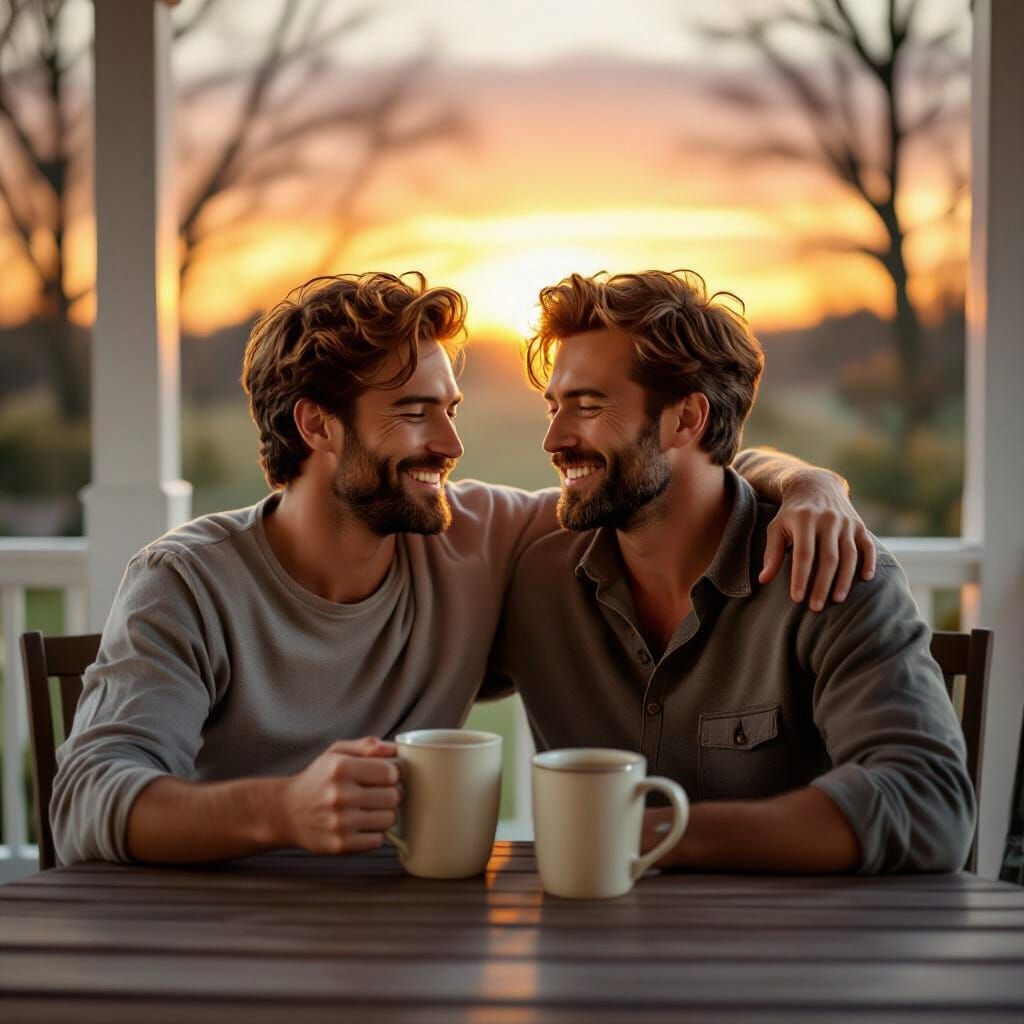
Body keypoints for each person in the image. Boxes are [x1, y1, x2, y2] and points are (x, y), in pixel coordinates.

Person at [52, 272, 873, 867]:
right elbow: (87, 799)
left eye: (450, 411)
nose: (449, 447)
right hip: (214, 947)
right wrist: (284, 810)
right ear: (316, 425)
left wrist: (808, 484)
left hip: (414, 944)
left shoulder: (482, 535)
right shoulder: (186, 582)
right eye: (414, 415)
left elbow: (675, 472)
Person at [487, 269, 974, 874]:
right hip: (585, 953)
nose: (554, 438)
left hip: (795, 957)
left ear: (687, 420)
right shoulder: (536, 583)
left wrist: (649, 832)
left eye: (588, 406)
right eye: (554, 407)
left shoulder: (830, 573)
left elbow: (929, 805)